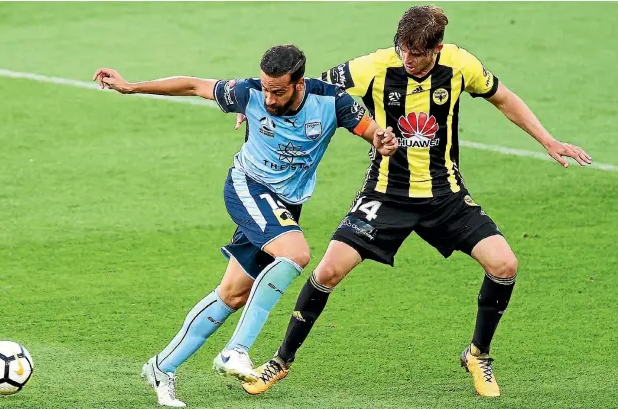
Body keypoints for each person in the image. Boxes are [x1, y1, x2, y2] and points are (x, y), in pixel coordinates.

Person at [240, 6, 592, 398]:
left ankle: (478, 354)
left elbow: (503, 97)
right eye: (402, 49)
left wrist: (548, 140)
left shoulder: (461, 64)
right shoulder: (375, 65)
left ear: (436, 49)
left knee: (505, 263)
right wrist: (259, 105)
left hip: (445, 195)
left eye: (416, 53)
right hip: (385, 194)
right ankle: (281, 360)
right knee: (327, 271)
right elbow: (314, 89)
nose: (407, 58)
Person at [93, 44, 398, 407]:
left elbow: (370, 131)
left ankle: (162, 366)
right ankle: (235, 350)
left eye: (278, 91)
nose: (268, 98)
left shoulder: (331, 101)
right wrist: (131, 87)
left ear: (299, 83)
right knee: (296, 253)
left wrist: (381, 138)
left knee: (233, 293)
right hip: (248, 187)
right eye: (266, 88)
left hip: (286, 204)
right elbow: (193, 85)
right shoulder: (247, 92)